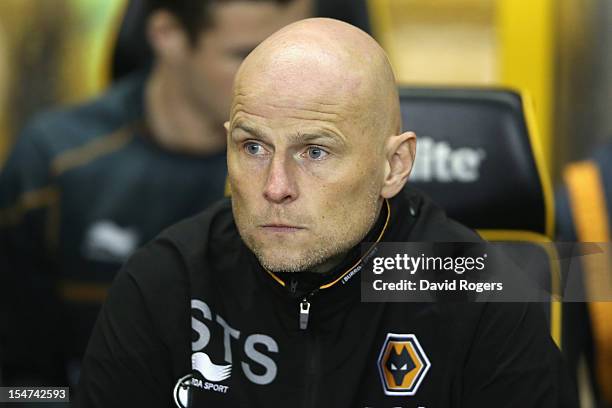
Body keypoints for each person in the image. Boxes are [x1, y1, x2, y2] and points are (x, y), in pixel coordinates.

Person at [76, 18, 576, 407]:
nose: (275, 187)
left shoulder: (479, 293)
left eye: (315, 152)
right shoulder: (167, 281)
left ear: (393, 165)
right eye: (252, 147)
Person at [0, 0, 311, 387]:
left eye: (293, 56)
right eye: (244, 55)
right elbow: (19, 380)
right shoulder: (55, 164)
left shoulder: (317, 176)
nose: (281, 83)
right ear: (168, 36)